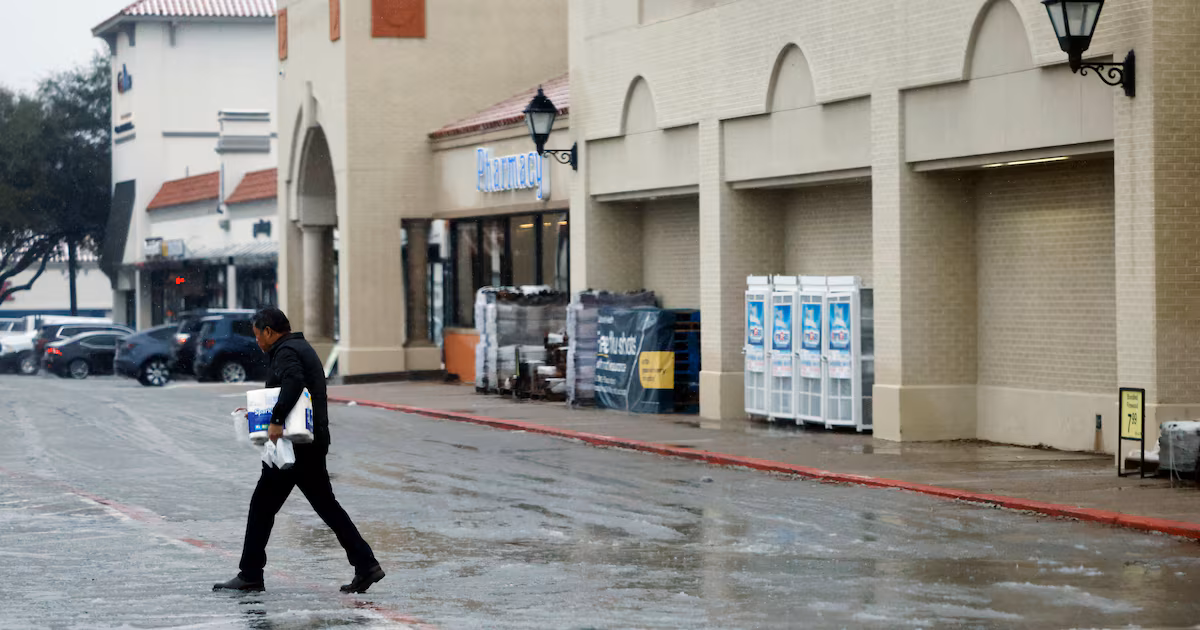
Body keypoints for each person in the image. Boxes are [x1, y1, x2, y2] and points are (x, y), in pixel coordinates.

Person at [214, 307, 385, 593]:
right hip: (310, 443)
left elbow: (293, 382)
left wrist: (277, 420)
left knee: (262, 507)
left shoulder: (287, 351)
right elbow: (289, 389)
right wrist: (259, 413)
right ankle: (366, 565)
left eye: (258, 335)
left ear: (269, 331)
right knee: (327, 507)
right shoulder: (298, 347)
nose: (257, 341)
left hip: (294, 448)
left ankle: (250, 574)